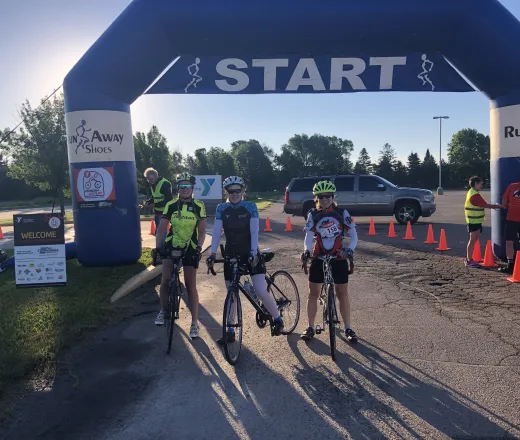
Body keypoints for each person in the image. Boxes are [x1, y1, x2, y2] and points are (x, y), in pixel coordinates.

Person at [206, 175, 284, 343]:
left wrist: (253, 252)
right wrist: (212, 254)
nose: (234, 194)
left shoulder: (250, 207)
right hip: (231, 253)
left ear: (242, 191)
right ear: (226, 192)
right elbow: (216, 233)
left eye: (237, 191)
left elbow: (255, 231)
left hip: (250, 252)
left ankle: (277, 318)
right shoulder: (221, 208)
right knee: (231, 293)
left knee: (261, 290)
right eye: (230, 191)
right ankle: (230, 331)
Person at [300, 180, 359, 343]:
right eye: (321, 196)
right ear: (316, 198)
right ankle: (310, 326)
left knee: (342, 292)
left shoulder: (342, 213)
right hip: (319, 256)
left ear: (333, 197)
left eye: (328, 196)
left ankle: (348, 327)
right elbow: (309, 236)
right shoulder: (313, 214)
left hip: (338, 256)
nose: (325, 199)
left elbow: (353, 235)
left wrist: (349, 250)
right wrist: (306, 250)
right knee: (313, 293)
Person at [154, 172, 207, 339]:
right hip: (172, 245)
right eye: (182, 186)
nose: (185, 189)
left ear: (192, 188)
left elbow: (203, 231)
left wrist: (199, 247)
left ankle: (194, 323)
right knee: (165, 280)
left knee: (190, 285)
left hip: (189, 248)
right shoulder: (170, 204)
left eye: (188, 186)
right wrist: (158, 247)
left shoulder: (199, 205)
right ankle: (163, 310)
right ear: (178, 188)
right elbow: (162, 228)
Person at [464, 176, 503, 268]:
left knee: (474, 239)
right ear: (476, 184)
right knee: (473, 240)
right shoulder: (474, 194)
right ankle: (469, 260)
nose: (482, 185)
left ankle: (470, 258)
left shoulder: (472, 192)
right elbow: (485, 205)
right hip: (474, 221)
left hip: (474, 220)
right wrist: (497, 206)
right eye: (480, 184)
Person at [141, 168, 173, 233]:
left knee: (161, 232)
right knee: (159, 231)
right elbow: (154, 196)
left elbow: (169, 199)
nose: (149, 181)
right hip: (158, 212)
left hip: (165, 212)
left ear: (155, 176)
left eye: (151, 179)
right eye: (148, 179)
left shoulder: (165, 183)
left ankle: (162, 243)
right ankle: (161, 242)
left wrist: (154, 205)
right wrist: (148, 202)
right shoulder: (153, 184)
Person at [498, 180, 520, 274]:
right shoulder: (512, 186)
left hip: (511, 218)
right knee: (509, 242)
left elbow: (504, 201)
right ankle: (511, 265)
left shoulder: (512, 186)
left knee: (509, 242)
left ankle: (510, 265)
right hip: (511, 219)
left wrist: (507, 206)